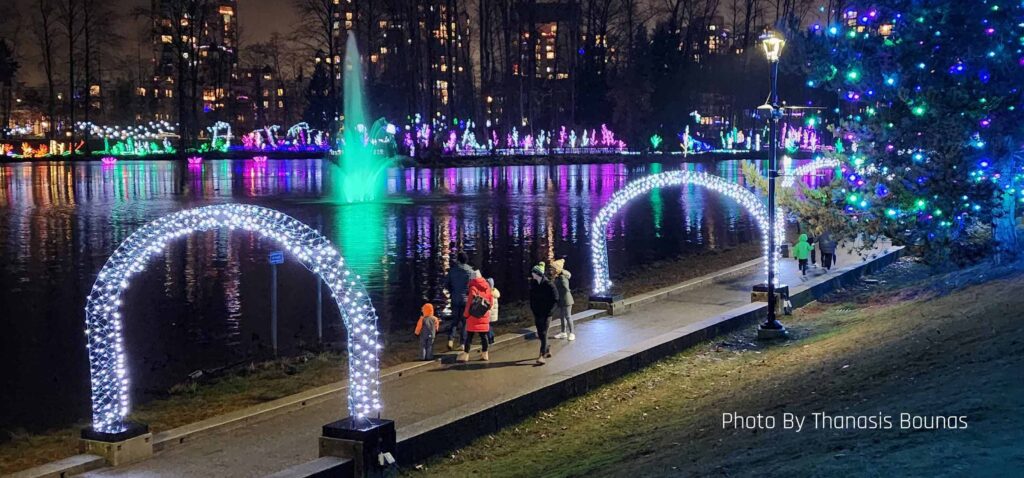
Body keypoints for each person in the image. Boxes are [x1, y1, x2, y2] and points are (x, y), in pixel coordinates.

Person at [458, 271, 494, 362]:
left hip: (473, 315)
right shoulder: (487, 286)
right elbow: (491, 302)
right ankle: (485, 354)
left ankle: (466, 355)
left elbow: (469, 303)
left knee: (469, 336)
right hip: (483, 314)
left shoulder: (473, 288)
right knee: (483, 336)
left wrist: (466, 315)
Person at [528, 263, 558, 365]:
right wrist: (533, 308)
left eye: (533, 272)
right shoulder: (533, 284)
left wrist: (550, 311)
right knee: (540, 333)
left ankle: (541, 355)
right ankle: (547, 348)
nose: (532, 274)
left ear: (537, 274)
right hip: (537, 313)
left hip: (547, 313)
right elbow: (532, 297)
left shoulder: (549, 284)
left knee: (544, 332)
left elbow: (556, 298)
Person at [444, 251, 474, 350]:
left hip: (455, 298)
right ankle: (462, 343)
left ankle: (450, 339)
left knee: (455, 320)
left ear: (458, 260)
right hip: (466, 300)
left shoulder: (452, 271)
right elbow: (474, 286)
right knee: (465, 322)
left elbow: (446, 284)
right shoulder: (470, 271)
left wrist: (452, 291)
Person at [549, 259, 575, 341]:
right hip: (561, 300)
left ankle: (572, 333)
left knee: (568, 316)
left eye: (552, 268)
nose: (551, 270)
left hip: (566, 300)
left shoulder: (562, 277)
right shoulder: (557, 277)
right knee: (562, 316)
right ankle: (563, 332)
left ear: (557, 269)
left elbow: (566, 288)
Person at [486, 277, 500, 344]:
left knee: (488, 326)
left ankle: (490, 338)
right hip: (494, 313)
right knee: (490, 326)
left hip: (490, 312)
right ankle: (492, 337)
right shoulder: (495, 292)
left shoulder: (489, 293)